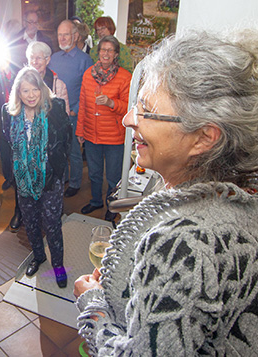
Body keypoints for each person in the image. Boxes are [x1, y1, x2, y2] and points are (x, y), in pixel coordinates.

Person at [74, 29, 258, 355]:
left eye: (145, 109)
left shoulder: (182, 242)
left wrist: (93, 305)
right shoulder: (240, 192)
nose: (130, 119)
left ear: (203, 138)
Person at [2, 67, 72, 288]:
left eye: (35, 89)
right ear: (18, 93)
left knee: (52, 225)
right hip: (24, 180)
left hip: (50, 179)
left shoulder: (56, 108)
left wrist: (57, 172)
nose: (31, 95)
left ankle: (58, 265)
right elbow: (8, 142)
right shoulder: (8, 112)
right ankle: (38, 256)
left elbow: (66, 143)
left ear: (42, 90)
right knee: (30, 223)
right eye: (25, 91)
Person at [77, 35, 131, 222]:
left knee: (114, 176)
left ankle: (112, 204)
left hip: (115, 137)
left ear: (116, 54)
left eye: (110, 50)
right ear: (98, 52)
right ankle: (95, 201)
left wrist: (111, 103)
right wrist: (80, 131)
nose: (106, 53)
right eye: (103, 49)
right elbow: (83, 104)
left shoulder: (125, 77)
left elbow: (128, 108)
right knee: (93, 173)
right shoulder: (88, 74)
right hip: (92, 134)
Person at [50, 20, 93, 198]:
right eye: (60, 34)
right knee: (59, 149)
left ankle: (75, 182)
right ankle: (64, 178)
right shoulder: (53, 58)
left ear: (75, 36)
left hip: (75, 114)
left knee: (74, 151)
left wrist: (75, 109)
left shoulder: (85, 60)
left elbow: (89, 89)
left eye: (66, 34)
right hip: (55, 115)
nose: (62, 38)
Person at [9, 10, 53, 78]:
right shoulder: (15, 41)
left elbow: (49, 64)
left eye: (36, 22)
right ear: (24, 23)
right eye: (31, 22)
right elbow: (12, 65)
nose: (33, 25)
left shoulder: (46, 41)